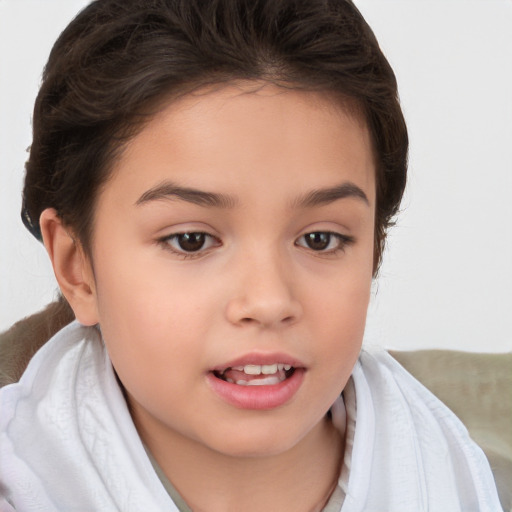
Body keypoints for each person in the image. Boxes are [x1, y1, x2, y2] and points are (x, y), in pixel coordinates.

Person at [0, 0, 502, 510]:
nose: (267, 301)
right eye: (191, 240)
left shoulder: (472, 477)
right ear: (76, 266)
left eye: (320, 239)